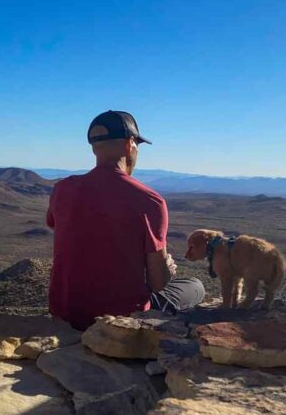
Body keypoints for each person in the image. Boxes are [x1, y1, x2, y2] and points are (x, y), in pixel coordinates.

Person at [46, 110, 205, 330]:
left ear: (94, 147)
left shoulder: (62, 189)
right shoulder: (149, 200)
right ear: (131, 144)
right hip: (120, 316)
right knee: (194, 285)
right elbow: (159, 283)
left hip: (66, 311)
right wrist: (167, 266)